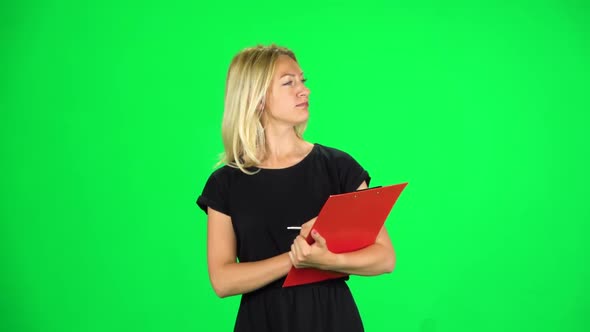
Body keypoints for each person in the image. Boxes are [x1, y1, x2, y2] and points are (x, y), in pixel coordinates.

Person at [196, 44, 395, 332]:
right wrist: (295, 259)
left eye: (303, 80)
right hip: (262, 322)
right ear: (257, 98)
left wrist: (329, 260)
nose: (304, 90)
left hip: (333, 319)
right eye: (288, 82)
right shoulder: (225, 183)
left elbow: (384, 257)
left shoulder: (339, 167)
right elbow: (223, 280)